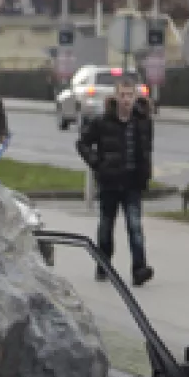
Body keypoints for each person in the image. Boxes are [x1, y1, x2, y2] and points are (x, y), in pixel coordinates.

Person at [76, 75, 154, 287]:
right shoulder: (103, 122)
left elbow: (146, 150)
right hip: (109, 181)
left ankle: (139, 269)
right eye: (122, 95)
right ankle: (103, 264)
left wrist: (145, 174)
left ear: (135, 97)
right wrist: (97, 163)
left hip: (132, 183)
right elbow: (82, 143)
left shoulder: (142, 122)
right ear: (116, 97)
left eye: (130, 95)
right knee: (106, 227)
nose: (126, 100)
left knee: (135, 225)